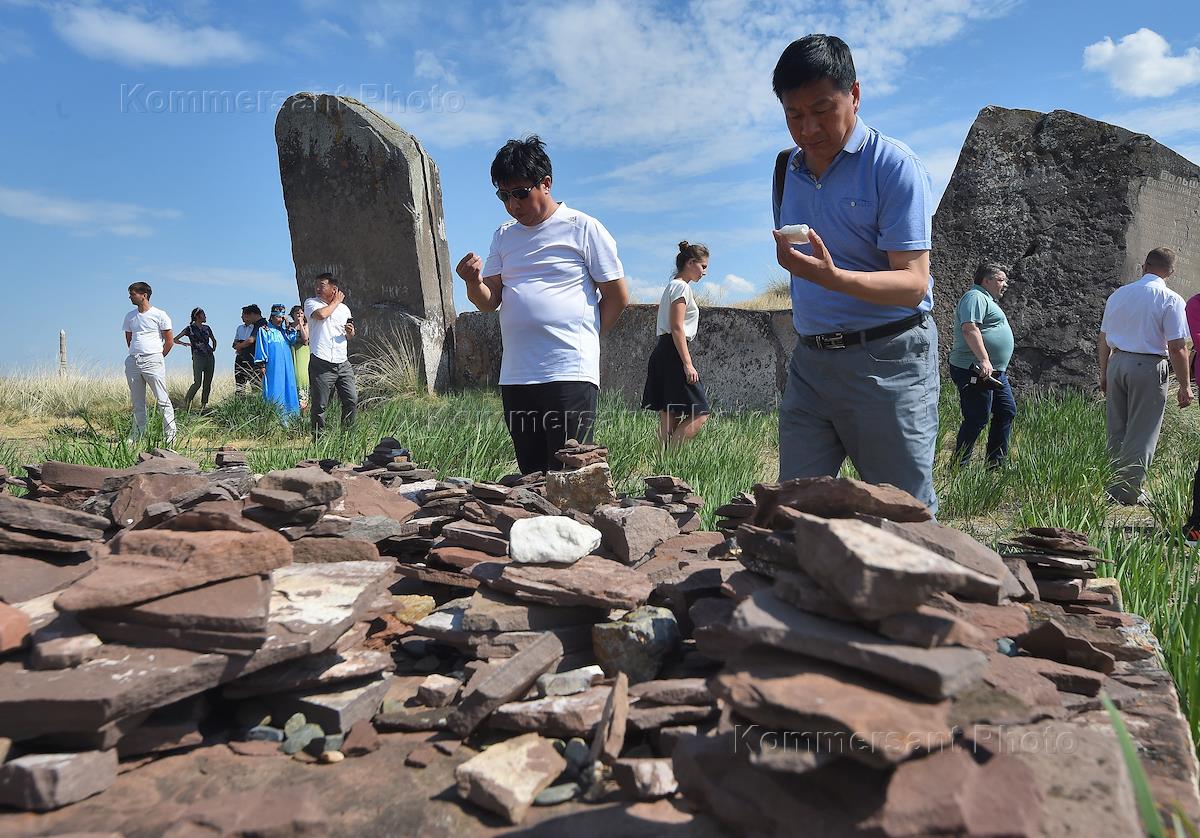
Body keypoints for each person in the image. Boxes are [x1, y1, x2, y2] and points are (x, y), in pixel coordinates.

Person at [770, 34, 939, 512]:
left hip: (888, 359)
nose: (808, 128)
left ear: (855, 95)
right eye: (794, 115)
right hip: (810, 362)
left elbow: (913, 283)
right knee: (795, 511)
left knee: (902, 514)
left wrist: (833, 277)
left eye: (822, 110)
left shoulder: (894, 167)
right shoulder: (787, 170)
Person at [455, 135, 630, 474]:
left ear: (545, 183)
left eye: (520, 193)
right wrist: (472, 282)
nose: (512, 204)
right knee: (531, 476)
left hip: (568, 371)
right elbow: (489, 301)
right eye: (504, 196)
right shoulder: (504, 236)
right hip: (518, 376)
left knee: (568, 474)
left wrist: (588, 337)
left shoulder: (583, 228)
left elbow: (617, 296)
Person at [1098, 247, 1192, 505]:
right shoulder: (1171, 299)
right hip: (1148, 365)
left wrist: (1103, 371)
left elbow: (1103, 337)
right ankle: (1128, 492)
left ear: (1144, 265)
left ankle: (1114, 484)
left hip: (1117, 361)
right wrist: (1185, 385)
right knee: (1143, 430)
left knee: (1117, 428)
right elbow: (1177, 346)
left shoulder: (1119, 294)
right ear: (1170, 272)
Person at [641, 241, 711, 445]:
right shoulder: (681, 287)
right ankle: (671, 459)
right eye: (703, 266)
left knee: (669, 413)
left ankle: (662, 466)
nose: (704, 272)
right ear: (690, 262)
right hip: (673, 352)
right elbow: (677, 327)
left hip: (664, 350)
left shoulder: (672, 286)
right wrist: (688, 363)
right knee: (700, 413)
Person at [947, 263, 1017, 468]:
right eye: (1001, 280)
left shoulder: (986, 299)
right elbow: (969, 328)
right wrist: (984, 359)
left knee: (1006, 411)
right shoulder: (975, 297)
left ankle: (995, 465)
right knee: (977, 418)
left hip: (992, 372)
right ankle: (959, 466)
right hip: (976, 369)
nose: (1005, 284)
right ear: (987, 281)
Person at [122, 281, 177, 446]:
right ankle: (137, 434)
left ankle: (170, 435)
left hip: (153, 359)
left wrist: (158, 357)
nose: (130, 297)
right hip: (134, 361)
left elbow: (169, 341)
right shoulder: (130, 316)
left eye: (133, 294)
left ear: (143, 295)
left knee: (162, 398)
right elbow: (129, 338)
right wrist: (135, 353)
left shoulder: (160, 314)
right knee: (137, 401)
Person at [304, 273, 357, 435]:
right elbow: (321, 315)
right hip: (321, 360)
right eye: (316, 285)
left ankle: (347, 437)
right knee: (320, 404)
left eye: (322, 285)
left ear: (334, 289)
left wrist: (351, 333)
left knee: (351, 399)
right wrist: (336, 302)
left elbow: (349, 335)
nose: (318, 288)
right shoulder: (311, 303)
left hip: (342, 361)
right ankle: (319, 439)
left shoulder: (344, 309)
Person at [255, 304, 301, 417]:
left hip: (287, 366)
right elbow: (261, 347)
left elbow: (293, 340)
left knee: (289, 387)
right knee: (275, 389)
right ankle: (274, 416)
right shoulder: (265, 331)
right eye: (278, 317)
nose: (280, 320)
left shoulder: (285, 332)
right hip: (273, 366)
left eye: (282, 317)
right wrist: (262, 365)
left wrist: (288, 326)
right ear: (272, 316)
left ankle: (292, 417)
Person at [175, 307, 217, 411]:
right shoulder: (189, 329)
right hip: (198, 357)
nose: (205, 316)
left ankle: (203, 405)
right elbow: (175, 339)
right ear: (197, 316)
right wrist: (186, 344)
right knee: (197, 382)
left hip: (209, 357)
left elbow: (214, 340)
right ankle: (187, 402)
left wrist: (213, 349)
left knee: (207, 382)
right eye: (203, 315)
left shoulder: (207, 328)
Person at [232, 305, 264, 395]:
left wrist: (241, 346)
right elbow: (234, 343)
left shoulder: (258, 325)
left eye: (245, 315)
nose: (242, 317)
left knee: (255, 384)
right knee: (240, 384)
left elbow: (251, 340)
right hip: (241, 357)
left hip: (253, 358)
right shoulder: (240, 328)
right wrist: (238, 346)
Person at [289, 304, 311, 410]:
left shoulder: (306, 325)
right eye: (297, 313)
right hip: (292, 351)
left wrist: (301, 324)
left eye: (302, 313)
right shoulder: (289, 326)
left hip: (303, 352)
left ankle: (304, 403)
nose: (299, 315)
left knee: (302, 375)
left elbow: (306, 338)